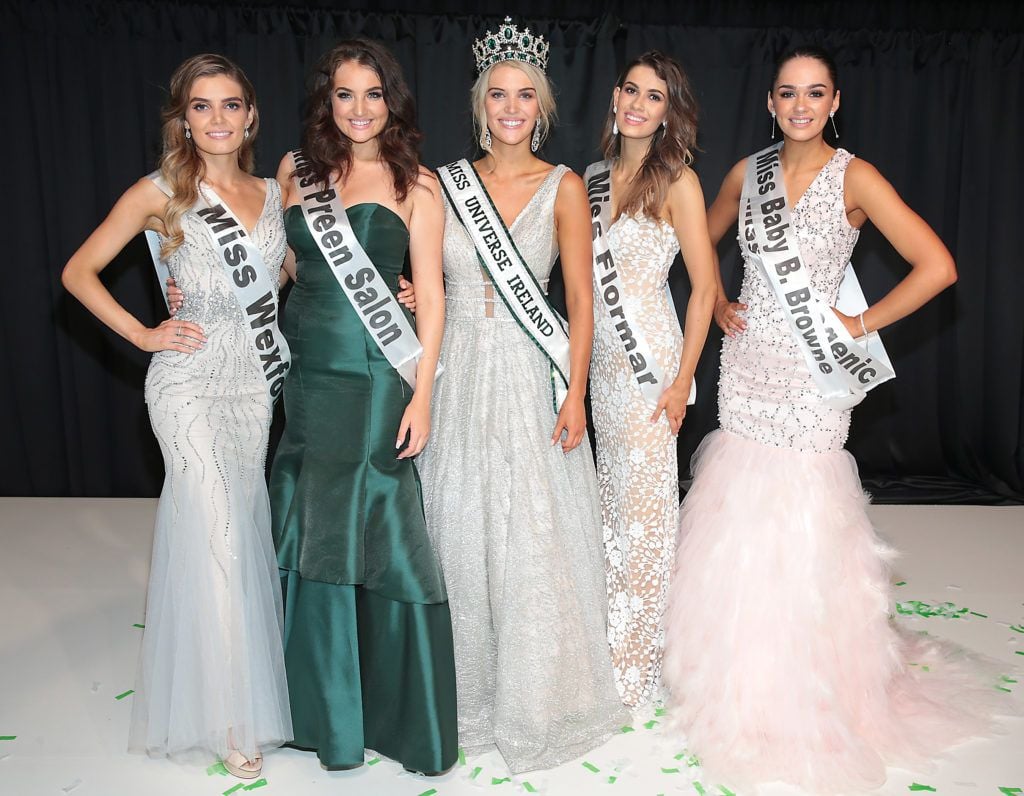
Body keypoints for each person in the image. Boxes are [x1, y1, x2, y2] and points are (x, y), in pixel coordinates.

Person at [661, 45, 1001, 792]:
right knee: (736, 517)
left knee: (806, 519)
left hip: (814, 381)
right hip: (749, 375)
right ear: (772, 103)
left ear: (836, 101)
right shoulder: (744, 175)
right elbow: (698, 243)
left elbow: (937, 266)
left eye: (816, 93)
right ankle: (736, 665)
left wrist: (862, 321)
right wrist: (715, 300)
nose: (801, 106)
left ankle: (809, 676)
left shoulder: (858, 178)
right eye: (788, 94)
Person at [62, 54, 291, 778]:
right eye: (202, 106)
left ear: (250, 116)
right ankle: (231, 715)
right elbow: (77, 272)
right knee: (220, 532)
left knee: (239, 526)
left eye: (231, 105)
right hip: (186, 383)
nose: (217, 119)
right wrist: (142, 333)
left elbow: (286, 274)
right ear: (183, 118)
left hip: (255, 384)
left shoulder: (271, 191)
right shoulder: (159, 193)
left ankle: (231, 684)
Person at [421, 17, 625, 774]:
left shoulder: (565, 186)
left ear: (542, 107)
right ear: (481, 104)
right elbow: (429, 284)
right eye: (499, 95)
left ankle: (536, 696)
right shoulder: (442, 183)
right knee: (461, 526)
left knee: (530, 533)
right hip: (458, 374)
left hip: (527, 373)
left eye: (525, 96)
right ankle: (465, 694)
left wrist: (573, 394)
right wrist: (416, 292)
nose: (512, 107)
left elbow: (579, 299)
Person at [267, 38, 457, 774]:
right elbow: (283, 266)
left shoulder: (418, 182)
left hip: (380, 378)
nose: (358, 108)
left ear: (393, 101)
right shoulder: (295, 170)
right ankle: (313, 706)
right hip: (308, 378)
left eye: (372, 94)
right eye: (344, 94)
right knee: (310, 522)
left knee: (375, 521)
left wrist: (425, 393)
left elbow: (431, 296)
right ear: (327, 100)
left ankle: (393, 713)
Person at [585, 51, 717, 708]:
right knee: (611, 511)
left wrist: (680, 382)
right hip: (602, 371)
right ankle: (611, 642)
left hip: (650, 366)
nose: (638, 103)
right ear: (615, 98)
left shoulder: (679, 182)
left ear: (670, 111)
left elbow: (705, 291)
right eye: (630, 90)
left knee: (645, 516)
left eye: (654, 96)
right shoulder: (592, 178)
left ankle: (634, 666)